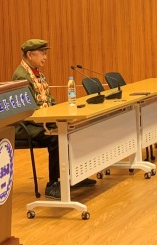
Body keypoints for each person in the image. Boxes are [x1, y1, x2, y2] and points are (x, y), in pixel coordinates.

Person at [12, 38, 95, 200]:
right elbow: (26, 111)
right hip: (27, 125)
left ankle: (73, 176)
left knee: (70, 130)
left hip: (40, 121)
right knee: (56, 137)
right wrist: (51, 120)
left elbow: (50, 100)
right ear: (30, 55)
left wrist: (60, 114)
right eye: (42, 53)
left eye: (45, 53)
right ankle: (53, 184)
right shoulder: (21, 77)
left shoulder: (38, 74)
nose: (45, 57)